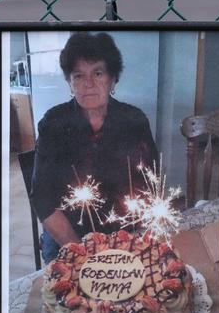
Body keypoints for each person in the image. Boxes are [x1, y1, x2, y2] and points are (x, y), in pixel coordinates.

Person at [30, 32, 159, 263]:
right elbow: (43, 199)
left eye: (98, 73)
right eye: (79, 75)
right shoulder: (53, 124)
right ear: (69, 81)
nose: (88, 84)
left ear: (112, 79)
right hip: (68, 233)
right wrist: (82, 252)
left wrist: (131, 240)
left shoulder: (134, 120)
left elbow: (151, 184)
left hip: (123, 229)